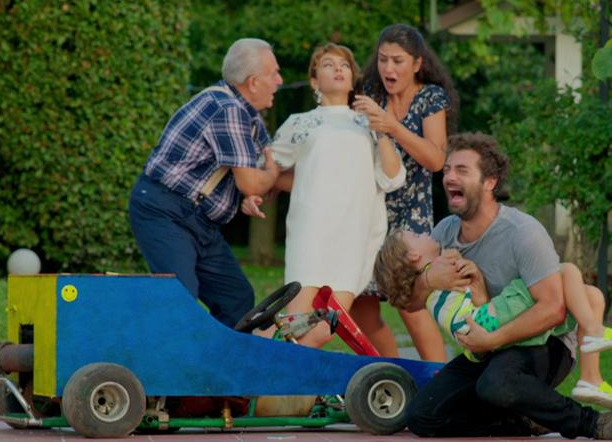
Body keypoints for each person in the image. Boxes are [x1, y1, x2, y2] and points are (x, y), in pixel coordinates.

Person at [402, 132, 612, 439]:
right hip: (486, 343)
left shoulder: (523, 232)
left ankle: (594, 423)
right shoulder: (444, 232)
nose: (449, 177)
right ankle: (526, 420)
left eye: (462, 170)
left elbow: (552, 308)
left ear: (490, 182)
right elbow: (410, 302)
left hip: (544, 341)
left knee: (496, 384)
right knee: (422, 417)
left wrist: (492, 340)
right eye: (447, 170)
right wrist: (428, 280)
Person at [242, 43, 405, 347]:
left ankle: (261, 355)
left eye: (344, 65)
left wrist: (382, 129)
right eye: (328, 65)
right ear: (315, 81)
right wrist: (255, 191)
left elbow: (393, 178)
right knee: (296, 323)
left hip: (354, 235)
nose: (338, 69)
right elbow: (268, 167)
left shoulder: (370, 122)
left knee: (328, 326)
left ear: (352, 79)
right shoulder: (300, 122)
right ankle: (262, 361)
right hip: (311, 234)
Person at [374, 229, 612, 409]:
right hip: (489, 320)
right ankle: (594, 333)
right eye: (416, 235)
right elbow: (461, 300)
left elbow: (475, 302)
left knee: (592, 296)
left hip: (486, 321)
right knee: (567, 270)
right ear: (414, 256)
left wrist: (475, 280)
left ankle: (591, 379)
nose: (424, 233)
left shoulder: (432, 287)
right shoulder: (437, 272)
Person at [128, 38, 282, 328]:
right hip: (166, 210)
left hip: (199, 220)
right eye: (274, 73)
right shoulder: (227, 108)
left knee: (236, 298)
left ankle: (216, 357)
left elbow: (257, 164)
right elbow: (255, 179)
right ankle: (153, 354)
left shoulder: (250, 118)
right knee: (180, 299)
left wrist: (251, 188)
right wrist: (266, 178)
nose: (279, 81)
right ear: (252, 82)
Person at [349, 23, 459, 362]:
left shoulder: (430, 98)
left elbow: (436, 160)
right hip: (368, 211)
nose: (388, 68)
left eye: (397, 61)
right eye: (383, 59)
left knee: (410, 302)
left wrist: (392, 126)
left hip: (411, 213)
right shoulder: (369, 92)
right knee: (362, 307)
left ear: (417, 63)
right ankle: (394, 374)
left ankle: (437, 376)